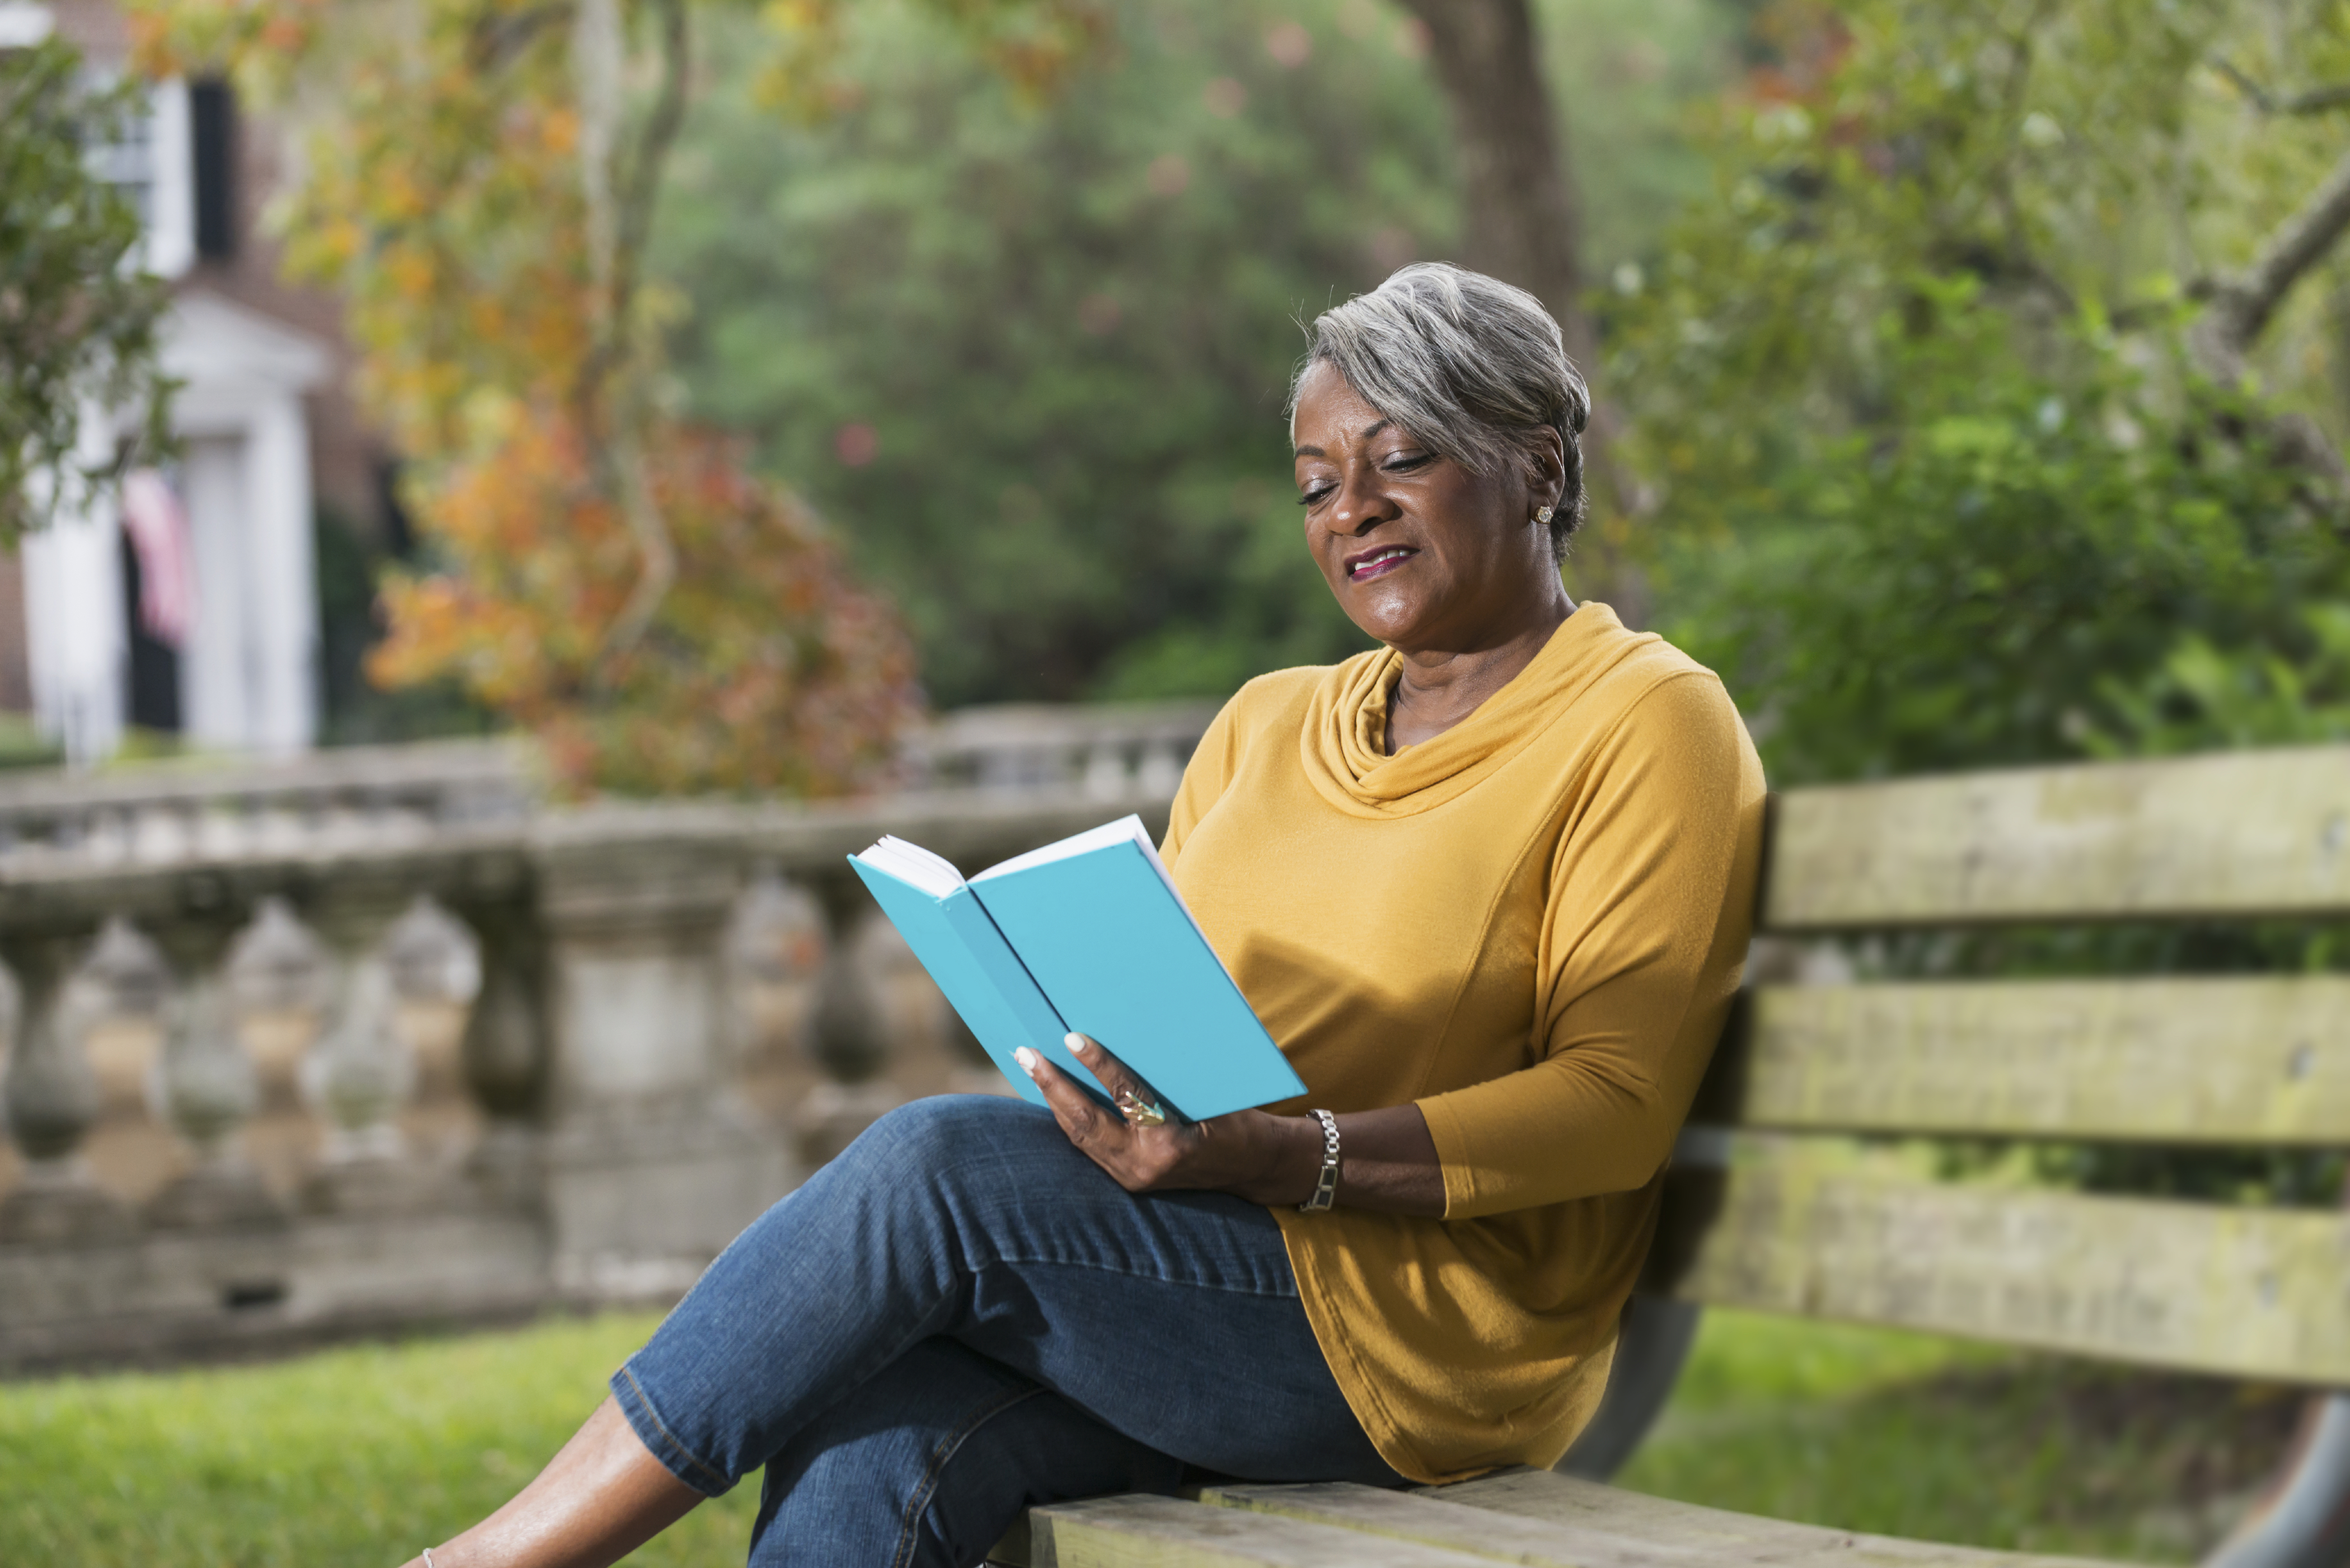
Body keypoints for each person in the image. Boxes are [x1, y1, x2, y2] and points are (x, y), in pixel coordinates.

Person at [402, 262, 1766, 1568]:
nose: (1350, 508)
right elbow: (1183, 1014)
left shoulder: (1643, 722)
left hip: (1425, 1348)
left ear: (1534, 464)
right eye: (1313, 483)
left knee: (929, 1172)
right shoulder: (1264, 724)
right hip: (1201, 1277)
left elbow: (1612, 1103)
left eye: (1400, 460)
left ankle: (500, 1559)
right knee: (884, 1420)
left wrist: (1285, 1158)